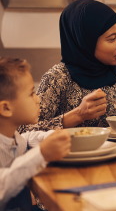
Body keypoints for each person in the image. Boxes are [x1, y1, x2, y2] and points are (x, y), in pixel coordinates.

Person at [18, 0, 116, 134]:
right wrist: (78, 114)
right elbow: (24, 132)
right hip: (74, 165)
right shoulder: (57, 78)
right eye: (112, 38)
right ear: (85, 42)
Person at [0, 57, 71, 210]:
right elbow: (3, 185)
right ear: (6, 108)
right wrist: (41, 153)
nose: (38, 99)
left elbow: (26, 138)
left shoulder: (13, 137)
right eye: (31, 93)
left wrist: (49, 137)